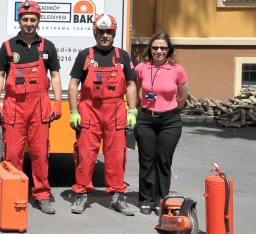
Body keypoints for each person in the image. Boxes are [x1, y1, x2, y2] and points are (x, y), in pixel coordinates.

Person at [0, 0, 63, 215]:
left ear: (38, 21)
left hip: (39, 105)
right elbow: (0, 75)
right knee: (13, 154)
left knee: (40, 153)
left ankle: (42, 195)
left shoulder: (48, 46)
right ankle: (14, 194)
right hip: (14, 105)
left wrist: (58, 102)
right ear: (19, 21)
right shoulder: (8, 46)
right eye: (25, 19)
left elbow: (56, 76)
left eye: (33, 19)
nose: (29, 23)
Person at [67, 14, 138, 215]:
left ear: (114, 33)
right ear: (95, 32)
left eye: (109, 32)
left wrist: (132, 110)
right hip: (89, 110)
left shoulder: (122, 56)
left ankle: (117, 195)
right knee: (86, 155)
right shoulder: (85, 55)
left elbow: (132, 84)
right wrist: (73, 111)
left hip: (116, 110)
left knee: (116, 155)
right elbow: (74, 84)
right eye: (101, 32)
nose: (105, 35)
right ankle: (81, 194)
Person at [134, 32, 188, 215]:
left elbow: (183, 96)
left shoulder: (177, 69)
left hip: (170, 121)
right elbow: (134, 89)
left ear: (169, 50)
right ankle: (146, 199)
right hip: (146, 120)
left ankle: (161, 199)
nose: (159, 51)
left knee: (163, 161)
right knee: (146, 160)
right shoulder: (142, 67)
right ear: (150, 49)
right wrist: (134, 109)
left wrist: (170, 109)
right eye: (155, 47)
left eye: (163, 48)